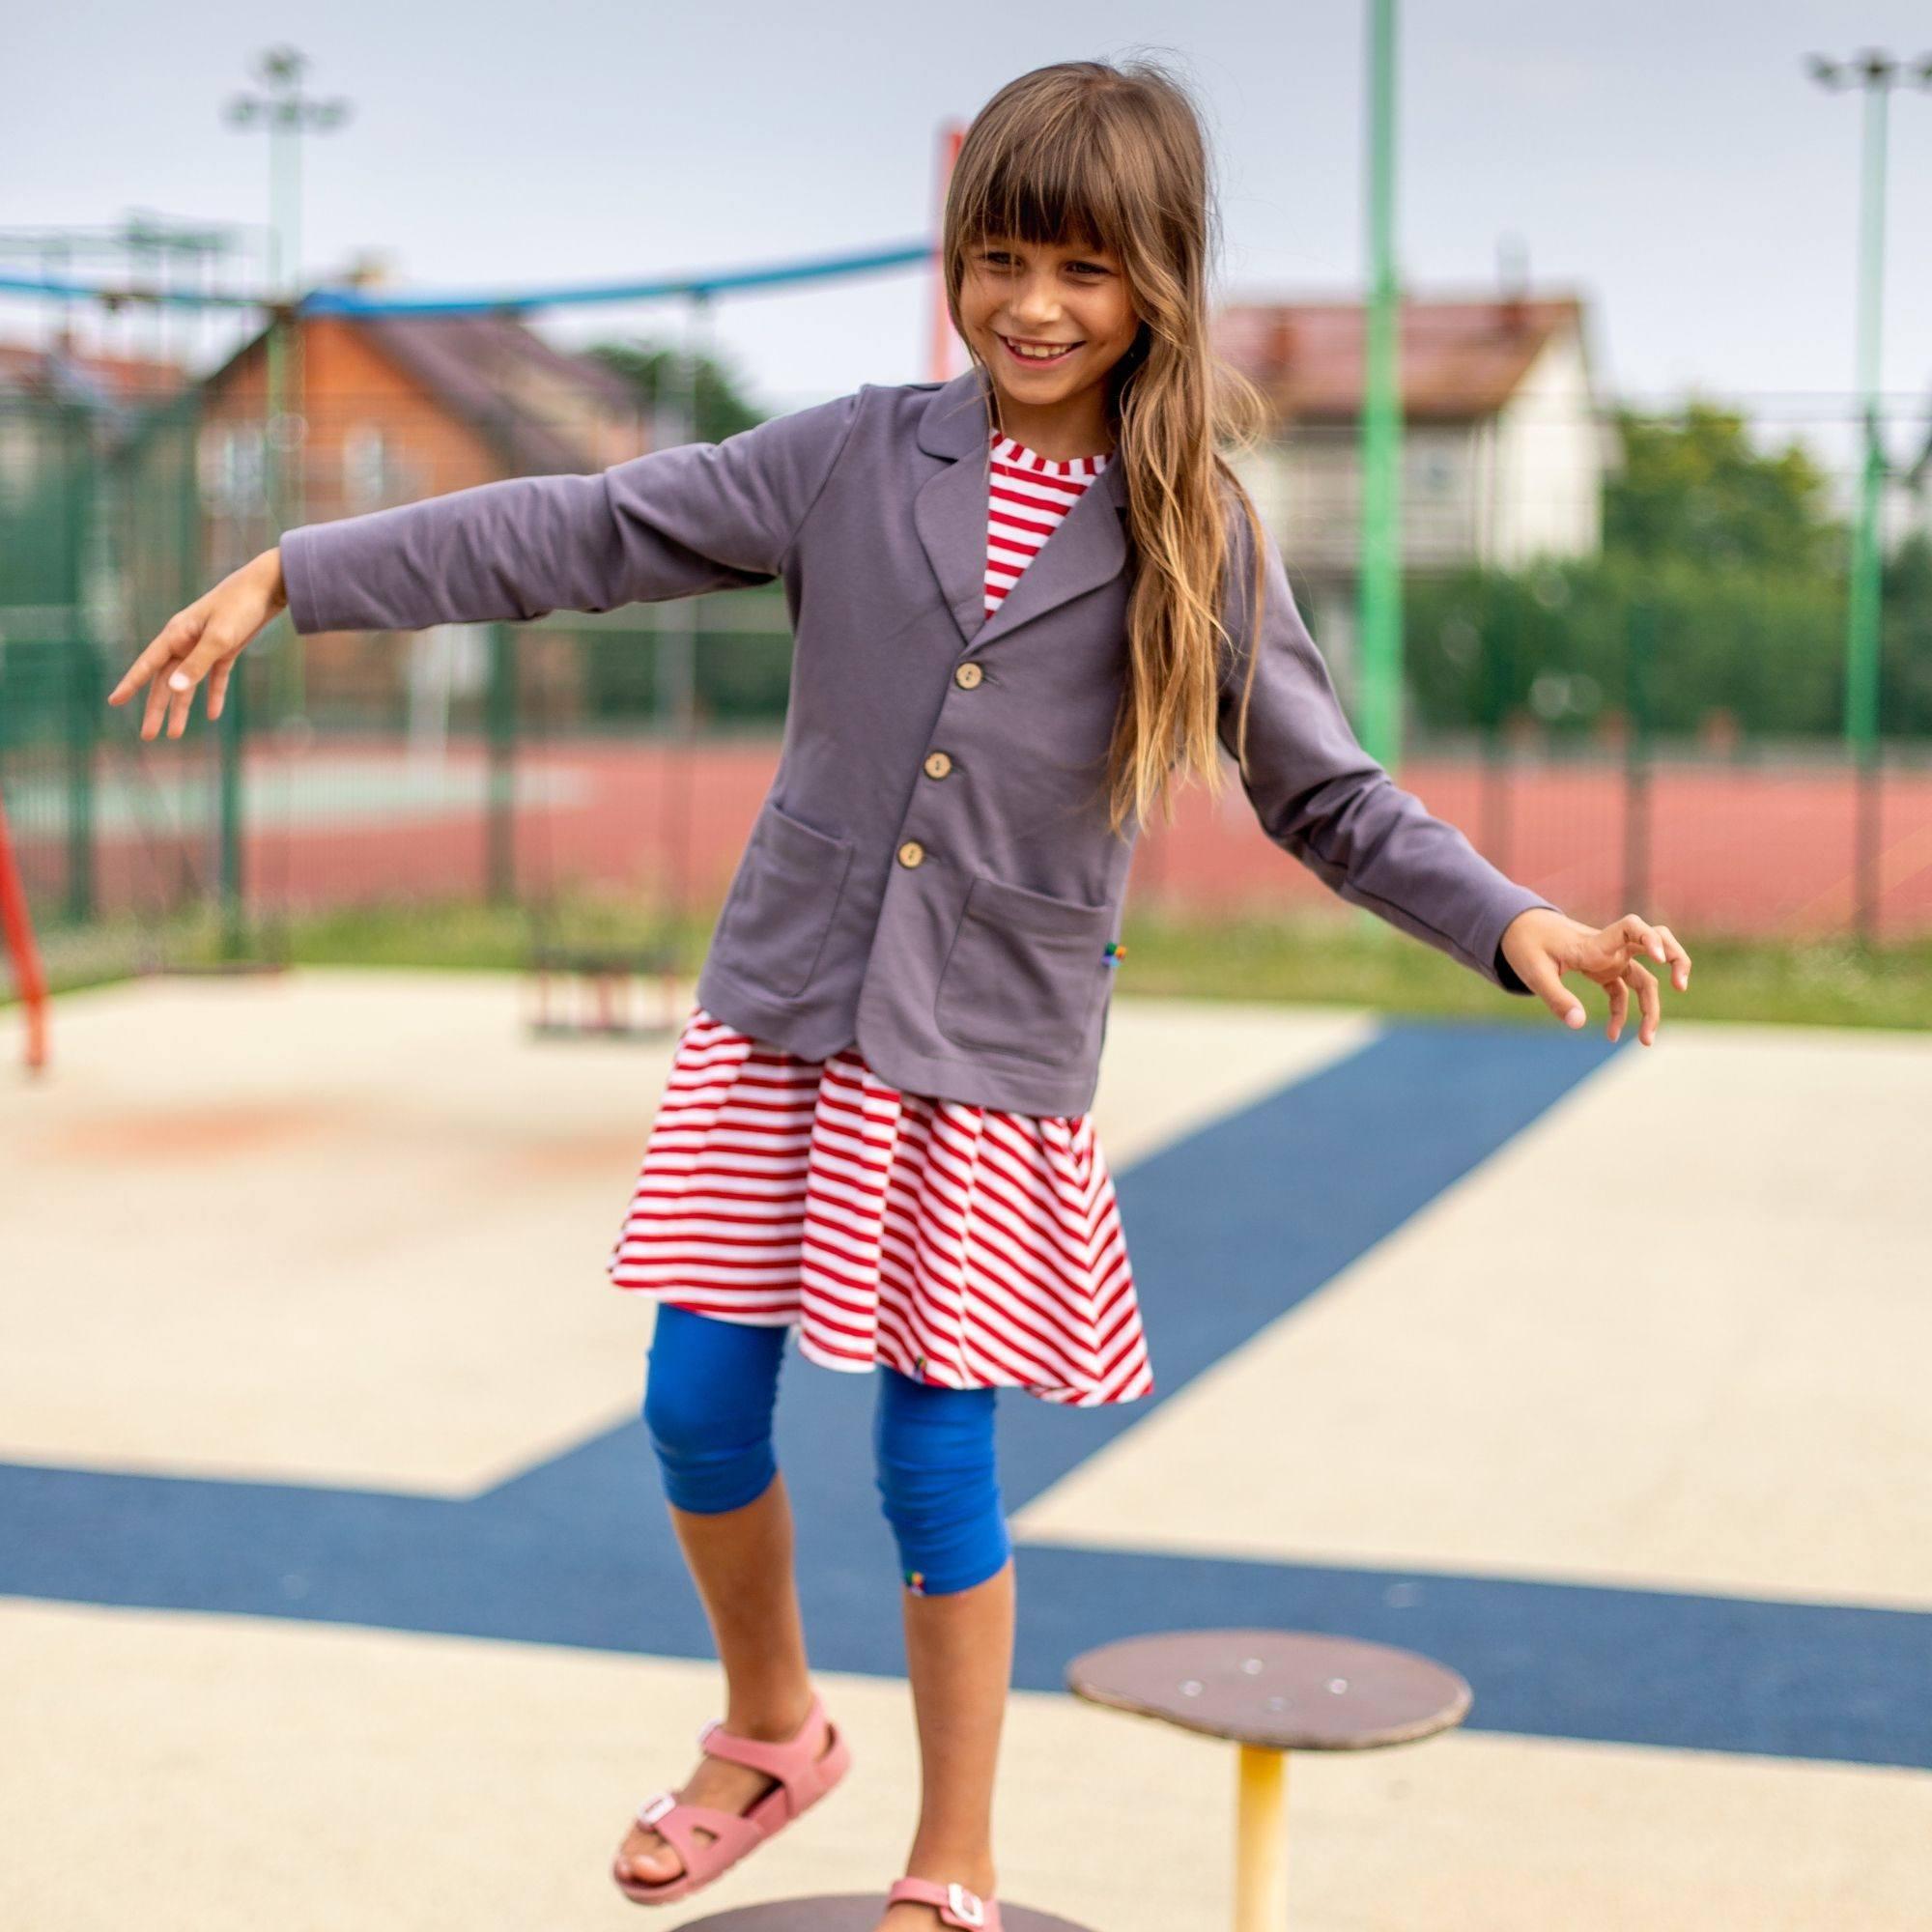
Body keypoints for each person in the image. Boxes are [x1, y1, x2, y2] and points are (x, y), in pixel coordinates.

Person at [107, 55, 1691, 1932]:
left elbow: (1323, 791)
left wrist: (1516, 923)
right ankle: (773, 1730)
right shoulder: (853, 453)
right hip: (782, 1015)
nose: (1033, 305)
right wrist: (302, 568)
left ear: (1156, 285)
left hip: (988, 1053)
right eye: (1001, 257)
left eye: (1084, 271)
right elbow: (576, 531)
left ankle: (954, 1853)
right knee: (696, 1402)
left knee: (933, 1453)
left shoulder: (1200, 529)